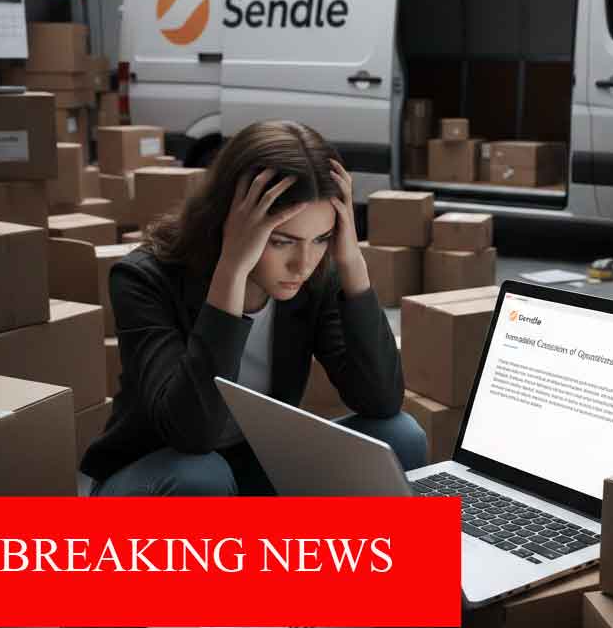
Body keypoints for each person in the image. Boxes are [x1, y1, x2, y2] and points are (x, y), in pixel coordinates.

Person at [81, 119, 427, 496]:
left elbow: (380, 400)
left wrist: (352, 266)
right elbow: (193, 433)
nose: (304, 263)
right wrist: (231, 270)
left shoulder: (315, 278)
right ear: (231, 219)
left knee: (399, 436)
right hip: (156, 474)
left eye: (321, 239)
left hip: (252, 467)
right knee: (202, 475)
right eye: (282, 241)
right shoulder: (144, 279)